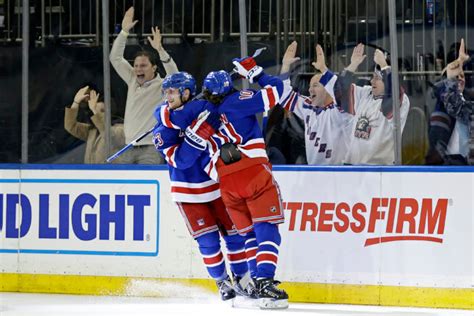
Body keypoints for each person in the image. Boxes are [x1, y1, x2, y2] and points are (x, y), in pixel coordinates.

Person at [152, 72, 257, 301]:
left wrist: (200, 129)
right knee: (208, 242)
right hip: (188, 192)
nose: (167, 97)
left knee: (235, 235)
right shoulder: (162, 131)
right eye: (165, 92)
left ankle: (243, 278)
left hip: (217, 185)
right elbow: (182, 160)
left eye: (171, 92)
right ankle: (222, 281)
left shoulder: (204, 109)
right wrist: (196, 135)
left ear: (186, 92)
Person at [197, 58, 289, 309]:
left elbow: (202, 158)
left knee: (248, 233)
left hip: (226, 182)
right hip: (252, 173)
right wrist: (255, 72)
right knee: (267, 227)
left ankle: (252, 281)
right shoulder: (236, 100)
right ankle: (265, 282)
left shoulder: (203, 116)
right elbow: (277, 92)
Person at [110, 6, 178, 164]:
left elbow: (175, 76)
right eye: (136, 65)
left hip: (150, 149)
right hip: (127, 147)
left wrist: (160, 50)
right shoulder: (132, 79)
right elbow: (115, 58)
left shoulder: (163, 85)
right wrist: (124, 32)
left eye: (143, 66)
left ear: (154, 68)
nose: (138, 69)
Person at [278, 41, 353, 165]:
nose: (310, 89)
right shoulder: (308, 107)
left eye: (315, 85)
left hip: (340, 175)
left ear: (328, 89)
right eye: (309, 86)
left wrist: (324, 69)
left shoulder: (340, 112)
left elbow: (341, 93)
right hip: (313, 172)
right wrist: (285, 66)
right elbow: (283, 95)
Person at [334, 43, 411, 165]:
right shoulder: (365, 93)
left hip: (380, 171)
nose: (372, 81)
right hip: (351, 167)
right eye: (372, 77)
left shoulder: (402, 100)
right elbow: (339, 92)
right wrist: (353, 65)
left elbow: (389, 103)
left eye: (377, 78)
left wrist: (384, 66)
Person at [426, 38, 471, 165]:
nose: (460, 79)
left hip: (465, 166)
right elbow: (438, 92)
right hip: (444, 164)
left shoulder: (466, 106)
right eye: (457, 76)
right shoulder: (441, 102)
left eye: (462, 76)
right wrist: (449, 78)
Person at [64, 86, 125, 164]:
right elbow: (70, 126)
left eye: (102, 111)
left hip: (109, 175)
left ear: (111, 113)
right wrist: (76, 102)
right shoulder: (92, 131)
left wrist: (94, 110)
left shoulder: (120, 129)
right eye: (94, 111)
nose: (96, 114)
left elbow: (109, 137)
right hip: (91, 174)